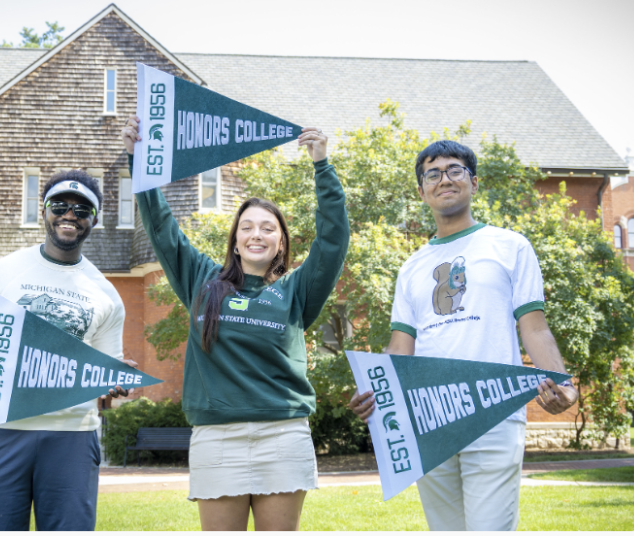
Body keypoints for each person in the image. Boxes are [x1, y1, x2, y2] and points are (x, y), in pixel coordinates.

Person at [122, 116, 349, 531]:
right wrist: (141, 161)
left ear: (281, 240)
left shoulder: (297, 290)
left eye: (267, 227)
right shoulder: (202, 281)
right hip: (217, 438)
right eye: (247, 227)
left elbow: (333, 241)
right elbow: (162, 229)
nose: (256, 234)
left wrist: (322, 165)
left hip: (282, 436)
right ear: (236, 240)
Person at [349, 140, 578, 531]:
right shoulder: (411, 267)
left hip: (494, 408)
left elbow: (534, 326)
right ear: (421, 192)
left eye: (455, 170)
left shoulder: (510, 246)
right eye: (432, 174)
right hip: (428, 415)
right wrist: (377, 392)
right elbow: (401, 347)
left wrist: (563, 383)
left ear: (473, 182)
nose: (444, 179)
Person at [0, 169, 136, 531]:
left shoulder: (106, 294)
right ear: (43, 210)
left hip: (73, 436)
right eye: (59, 205)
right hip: (2, 429)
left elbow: (107, 372)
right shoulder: (1, 272)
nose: (69, 215)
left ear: (94, 220)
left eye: (82, 210)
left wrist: (117, 381)